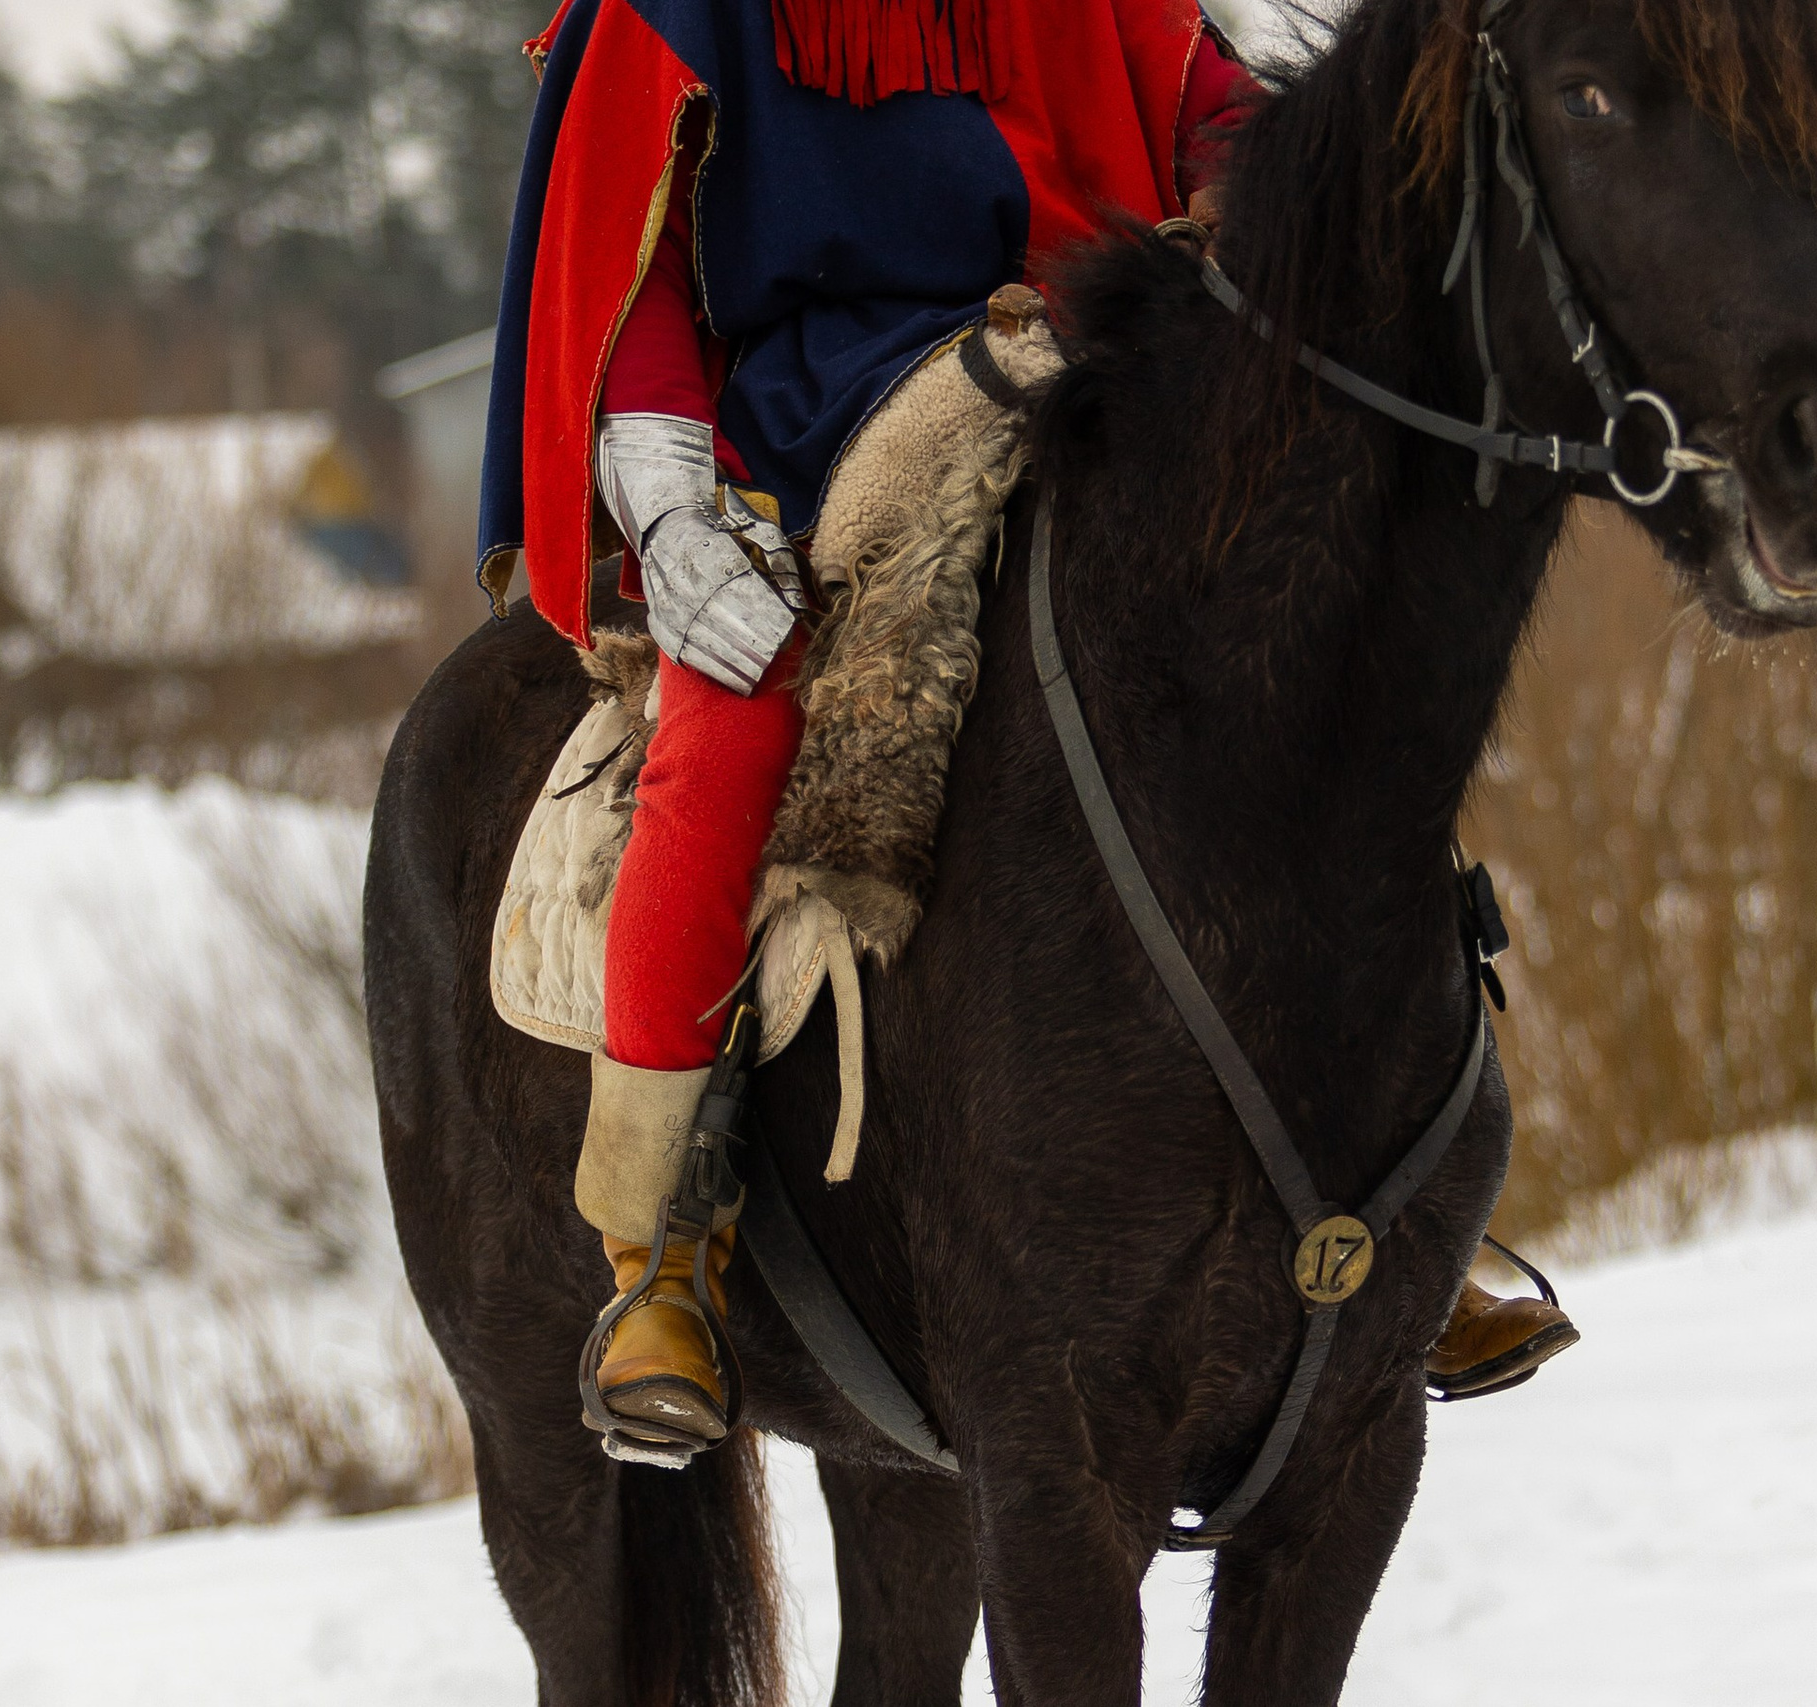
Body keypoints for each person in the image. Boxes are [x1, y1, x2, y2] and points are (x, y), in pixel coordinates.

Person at [477, 0, 1574, 1463]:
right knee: (737, 714)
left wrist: (1284, 201)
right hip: (818, 410)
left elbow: (1217, 115)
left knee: (1299, 649)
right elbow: (631, 262)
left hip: (1099, 357)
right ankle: (662, 1243)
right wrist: (670, 500)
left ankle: (1388, 1203)